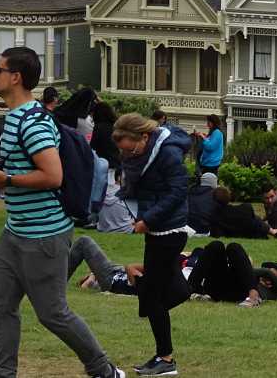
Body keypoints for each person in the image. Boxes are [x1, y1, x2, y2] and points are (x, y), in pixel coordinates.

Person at [0, 46, 123, 378]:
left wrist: (9, 179)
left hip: (43, 236)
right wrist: (2, 179)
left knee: (53, 313)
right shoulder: (15, 118)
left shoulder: (33, 122)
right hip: (15, 231)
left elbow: (53, 175)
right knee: (0, 305)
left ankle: (104, 371)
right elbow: (23, 173)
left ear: (15, 78)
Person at [112, 112, 191, 378]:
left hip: (168, 230)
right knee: (159, 293)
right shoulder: (141, 155)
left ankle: (166, 358)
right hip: (156, 230)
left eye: (130, 148)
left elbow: (178, 190)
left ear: (144, 137)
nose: (128, 155)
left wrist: (149, 218)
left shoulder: (167, 154)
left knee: (152, 296)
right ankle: (174, 297)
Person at [185, 236, 277, 305]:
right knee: (218, 245)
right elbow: (265, 270)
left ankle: (190, 287)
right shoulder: (269, 282)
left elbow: (266, 272)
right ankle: (190, 287)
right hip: (232, 288)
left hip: (235, 289)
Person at [207, 187, 277, 239]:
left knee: (255, 219)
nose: (269, 201)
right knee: (255, 220)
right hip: (252, 233)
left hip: (247, 231)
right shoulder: (244, 209)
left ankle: (271, 231)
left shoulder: (215, 216)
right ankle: (272, 231)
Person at [91, 102, 120, 174]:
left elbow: (93, 146)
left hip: (103, 164)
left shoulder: (99, 127)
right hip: (117, 162)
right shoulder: (116, 125)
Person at [196, 115, 223, 180]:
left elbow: (210, 147)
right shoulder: (213, 132)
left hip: (211, 165)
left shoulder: (217, 133)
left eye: (209, 122)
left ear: (214, 122)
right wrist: (204, 137)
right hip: (207, 163)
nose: (207, 124)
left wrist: (203, 137)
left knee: (208, 184)